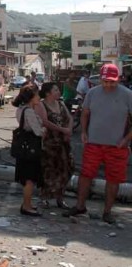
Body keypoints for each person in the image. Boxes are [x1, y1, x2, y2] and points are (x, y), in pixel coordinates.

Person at [64, 64, 132, 224]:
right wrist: (83, 132)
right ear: (100, 79)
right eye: (105, 81)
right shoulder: (92, 93)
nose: (108, 84)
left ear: (119, 79)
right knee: (86, 174)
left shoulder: (127, 95)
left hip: (117, 146)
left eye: (112, 81)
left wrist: (127, 139)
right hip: (93, 143)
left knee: (113, 179)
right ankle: (80, 206)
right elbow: (85, 113)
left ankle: (107, 212)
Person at [34, 82, 74, 209]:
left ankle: (59, 197)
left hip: (62, 142)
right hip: (49, 142)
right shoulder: (41, 104)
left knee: (65, 168)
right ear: (47, 93)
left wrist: (69, 129)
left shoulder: (61, 104)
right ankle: (44, 197)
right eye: (55, 90)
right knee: (48, 169)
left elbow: (70, 118)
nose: (58, 92)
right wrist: (62, 130)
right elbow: (44, 122)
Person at [12, 85, 44, 216]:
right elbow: (38, 131)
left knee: (27, 178)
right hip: (30, 148)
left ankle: (28, 204)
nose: (39, 97)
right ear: (31, 97)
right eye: (37, 95)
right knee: (30, 179)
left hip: (24, 148)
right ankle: (26, 206)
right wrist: (45, 130)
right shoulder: (29, 111)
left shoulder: (21, 109)